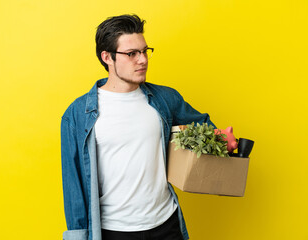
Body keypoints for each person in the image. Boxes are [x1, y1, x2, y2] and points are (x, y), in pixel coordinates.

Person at [61, 14, 216, 240]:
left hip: (166, 224)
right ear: (107, 57)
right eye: (132, 54)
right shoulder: (77, 115)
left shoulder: (165, 99)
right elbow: (73, 184)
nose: (142, 60)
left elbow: (206, 129)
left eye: (144, 51)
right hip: (115, 231)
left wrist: (224, 148)